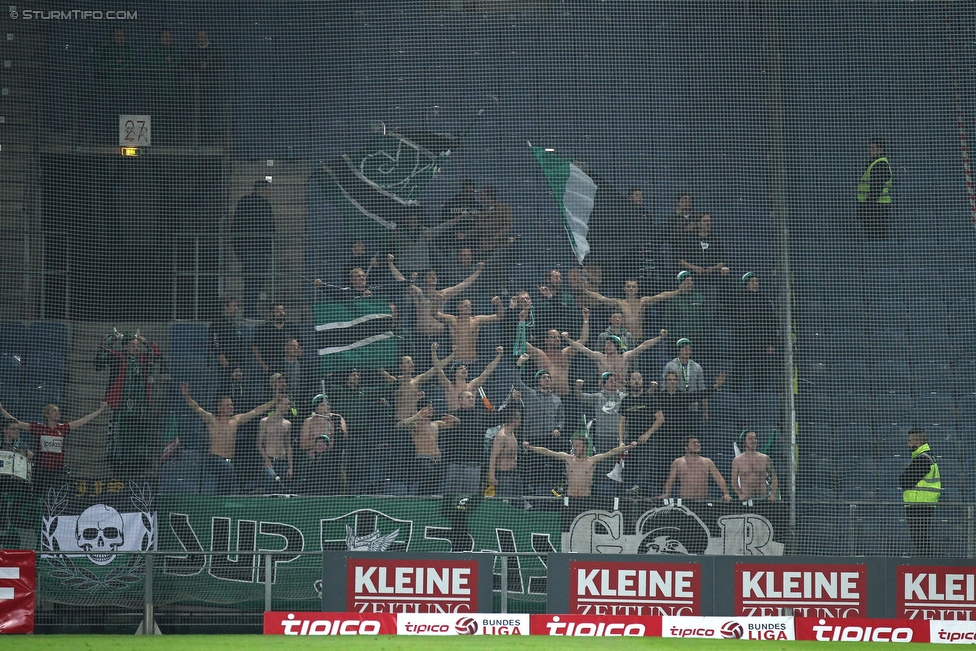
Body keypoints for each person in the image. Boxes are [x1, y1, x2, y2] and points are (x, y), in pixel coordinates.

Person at [181, 382, 277, 495]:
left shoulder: (235, 420)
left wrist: (274, 400)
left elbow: (256, 411)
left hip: (230, 461)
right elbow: (196, 408)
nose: (231, 407)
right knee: (229, 471)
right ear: (219, 407)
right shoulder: (211, 419)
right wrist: (186, 396)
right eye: (227, 405)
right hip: (215, 459)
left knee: (227, 483)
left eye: (231, 405)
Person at [0, 401, 109, 492]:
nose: (57, 413)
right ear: (47, 414)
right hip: (41, 471)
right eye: (54, 411)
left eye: (58, 411)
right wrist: (1, 409)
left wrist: (100, 410)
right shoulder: (39, 428)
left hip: (58, 472)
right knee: (38, 495)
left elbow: (83, 420)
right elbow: (16, 422)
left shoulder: (63, 428)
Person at [95, 331, 162, 477]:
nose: (135, 348)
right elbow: (102, 348)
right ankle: (116, 462)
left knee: (138, 434)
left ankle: (138, 462)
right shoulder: (117, 357)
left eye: (137, 346)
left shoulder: (143, 359)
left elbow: (157, 353)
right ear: (124, 346)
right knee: (118, 433)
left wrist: (145, 340)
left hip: (140, 406)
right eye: (132, 345)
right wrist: (115, 337)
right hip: (120, 405)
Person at [522, 434, 635, 498]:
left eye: (578, 446)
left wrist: (629, 447)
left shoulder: (591, 461)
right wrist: (530, 448)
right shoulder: (568, 459)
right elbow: (548, 452)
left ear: (585, 447)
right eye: (574, 445)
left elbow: (612, 452)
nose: (575, 448)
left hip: (585, 499)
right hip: (569, 498)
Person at [514, 357, 566, 492]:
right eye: (544, 377)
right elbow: (517, 382)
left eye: (549, 377)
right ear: (538, 380)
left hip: (550, 438)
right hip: (533, 437)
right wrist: (519, 365)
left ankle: (552, 491)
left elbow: (561, 417)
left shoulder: (556, 398)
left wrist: (558, 428)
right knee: (535, 468)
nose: (547, 379)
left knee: (551, 467)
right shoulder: (530, 394)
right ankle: (534, 492)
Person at [583, 279, 685, 342]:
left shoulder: (643, 301)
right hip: (625, 341)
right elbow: (602, 298)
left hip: (639, 339)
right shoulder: (620, 303)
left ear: (637, 289)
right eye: (628, 286)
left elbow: (660, 296)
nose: (631, 289)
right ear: (624, 289)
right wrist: (585, 291)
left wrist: (678, 291)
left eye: (633, 287)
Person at [230, 181, 275, 316]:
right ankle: (250, 311)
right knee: (255, 280)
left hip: (245, 249)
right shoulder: (263, 205)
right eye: (267, 190)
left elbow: (235, 226)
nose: (269, 194)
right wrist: (268, 250)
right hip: (258, 250)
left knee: (250, 279)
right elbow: (268, 228)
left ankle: (250, 310)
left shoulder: (243, 203)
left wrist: (237, 249)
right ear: (261, 190)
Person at [523, 309, 590, 397]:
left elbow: (583, 340)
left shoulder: (566, 354)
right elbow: (523, 343)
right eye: (553, 337)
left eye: (558, 337)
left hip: (566, 397)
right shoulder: (541, 355)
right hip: (547, 397)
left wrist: (586, 319)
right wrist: (521, 322)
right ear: (546, 340)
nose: (557, 339)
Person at [396, 404, 459, 496]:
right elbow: (399, 425)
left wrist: (455, 419)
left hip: (438, 461)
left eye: (431, 407)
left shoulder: (435, 424)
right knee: (425, 488)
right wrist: (416, 416)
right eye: (428, 408)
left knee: (435, 488)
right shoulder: (414, 425)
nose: (431, 409)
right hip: (423, 460)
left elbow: (456, 425)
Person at [618, 372, 665, 495]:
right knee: (630, 466)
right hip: (632, 440)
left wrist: (647, 434)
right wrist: (621, 441)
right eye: (634, 379)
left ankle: (640, 488)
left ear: (643, 381)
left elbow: (660, 418)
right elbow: (622, 423)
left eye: (639, 378)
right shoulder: (626, 400)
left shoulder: (649, 398)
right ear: (629, 382)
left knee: (647, 464)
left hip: (649, 440)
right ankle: (629, 491)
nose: (637, 381)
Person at [732, 272, 778, 393]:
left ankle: (759, 392)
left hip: (760, 340)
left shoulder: (764, 300)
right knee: (739, 366)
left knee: (761, 367)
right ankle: (736, 392)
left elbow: (772, 323)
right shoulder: (738, 299)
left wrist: (771, 343)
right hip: (743, 340)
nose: (755, 284)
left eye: (757, 281)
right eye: (753, 281)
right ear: (746, 284)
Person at [899, 428, 941, 556]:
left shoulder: (923, 459)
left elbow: (904, 481)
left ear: (918, 442)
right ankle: (925, 560)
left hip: (920, 504)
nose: (908, 444)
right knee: (920, 537)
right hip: (922, 503)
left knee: (920, 538)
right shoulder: (925, 457)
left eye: (910, 441)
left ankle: (926, 562)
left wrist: (902, 478)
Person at [564, 328, 668, 380]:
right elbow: (582, 348)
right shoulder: (600, 357)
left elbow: (644, 345)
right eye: (606, 344)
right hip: (603, 394)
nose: (606, 346)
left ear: (617, 346)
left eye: (610, 344)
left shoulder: (625, 357)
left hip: (622, 392)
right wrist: (567, 339)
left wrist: (660, 337)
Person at [434, 296, 505, 370]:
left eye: (470, 306)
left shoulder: (477, 320)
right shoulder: (452, 320)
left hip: (473, 363)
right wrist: (435, 301)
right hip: (457, 362)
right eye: (465, 305)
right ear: (458, 307)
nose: (468, 307)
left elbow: (499, 317)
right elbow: (435, 314)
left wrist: (499, 304)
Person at [655, 437, 733, 502]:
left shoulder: (707, 461)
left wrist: (726, 493)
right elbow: (670, 480)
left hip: (704, 501)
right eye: (693, 443)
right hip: (685, 501)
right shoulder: (678, 462)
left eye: (698, 442)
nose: (697, 444)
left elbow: (719, 479)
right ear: (686, 447)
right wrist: (666, 494)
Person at [433, 345, 504, 412]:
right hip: (454, 418)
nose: (464, 370)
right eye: (461, 368)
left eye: (466, 368)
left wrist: (499, 356)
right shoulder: (449, 387)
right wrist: (433, 352)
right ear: (454, 373)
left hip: (471, 417)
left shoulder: (472, 385)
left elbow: (487, 371)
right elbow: (438, 370)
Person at [856, 137, 893, 240]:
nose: (870, 150)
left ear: (881, 150)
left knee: (875, 237)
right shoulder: (875, 163)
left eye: (873, 148)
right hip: (875, 205)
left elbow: (876, 188)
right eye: (870, 148)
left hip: (877, 207)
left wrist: (868, 206)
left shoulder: (880, 164)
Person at [251, 303, 301, 377]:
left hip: (289, 366)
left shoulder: (291, 328)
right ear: (272, 313)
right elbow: (254, 348)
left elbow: (300, 347)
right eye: (278, 311)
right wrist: (263, 365)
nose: (281, 313)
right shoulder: (264, 329)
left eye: (282, 310)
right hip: (271, 366)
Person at [257, 395, 294, 490]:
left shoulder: (288, 424)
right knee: (271, 480)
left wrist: (290, 467)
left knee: (281, 489)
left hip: (282, 461)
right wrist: (266, 459)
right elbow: (259, 444)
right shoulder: (264, 422)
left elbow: (288, 446)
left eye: (289, 404)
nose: (288, 407)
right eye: (286, 404)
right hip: (269, 461)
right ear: (278, 405)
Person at [209, 295, 248, 384]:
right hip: (226, 364)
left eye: (237, 306)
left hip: (237, 363)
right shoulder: (217, 323)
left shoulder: (233, 323)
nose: (236, 308)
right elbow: (215, 344)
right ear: (225, 307)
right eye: (234, 306)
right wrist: (225, 363)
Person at [731, 430, 779, 502]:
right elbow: (733, 481)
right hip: (746, 499)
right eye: (750, 439)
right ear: (744, 442)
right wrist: (739, 494)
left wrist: (773, 494)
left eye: (755, 438)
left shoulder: (765, 458)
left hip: (764, 498)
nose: (754, 441)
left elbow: (774, 477)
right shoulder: (737, 461)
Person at [487, 408, 524, 498]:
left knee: (517, 502)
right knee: (505, 503)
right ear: (513, 420)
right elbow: (493, 456)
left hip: (514, 474)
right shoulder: (501, 436)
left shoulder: (512, 434)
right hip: (503, 476)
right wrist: (491, 476)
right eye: (519, 418)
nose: (520, 420)